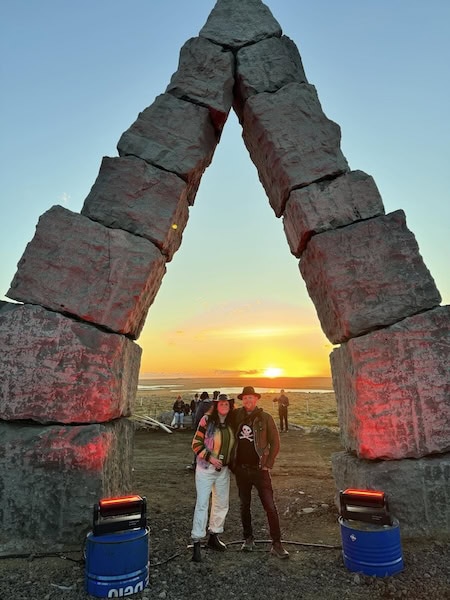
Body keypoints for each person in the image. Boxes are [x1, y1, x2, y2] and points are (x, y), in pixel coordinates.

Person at [231, 385, 289, 559]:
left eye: (251, 397)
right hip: (241, 470)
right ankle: (248, 538)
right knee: (244, 505)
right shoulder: (236, 416)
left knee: (270, 506)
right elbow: (220, 423)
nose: (248, 400)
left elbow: (275, 442)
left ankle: (277, 544)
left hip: (260, 470)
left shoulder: (265, 418)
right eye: (245, 398)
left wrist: (268, 464)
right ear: (242, 400)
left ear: (256, 399)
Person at [190, 393, 235, 562]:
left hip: (223, 470)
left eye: (227, 404)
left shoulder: (231, 423)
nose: (224, 406)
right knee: (202, 503)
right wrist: (210, 458)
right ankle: (196, 541)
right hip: (206, 469)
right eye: (221, 404)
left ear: (230, 406)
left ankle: (214, 536)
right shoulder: (206, 421)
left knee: (221, 502)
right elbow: (196, 443)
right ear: (216, 406)